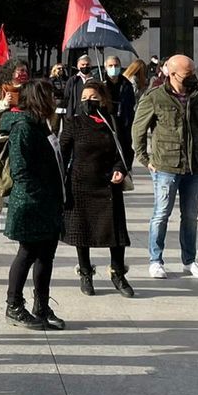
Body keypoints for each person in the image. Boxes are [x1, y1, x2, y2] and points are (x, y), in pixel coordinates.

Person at [131, 54, 198, 280]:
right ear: (172, 74)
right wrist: (146, 160)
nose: (192, 77)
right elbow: (138, 131)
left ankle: (189, 261)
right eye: (188, 74)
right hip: (166, 166)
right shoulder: (155, 97)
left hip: (195, 167)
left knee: (191, 217)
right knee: (161, 215)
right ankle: (156, 261)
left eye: (193, 72)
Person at [0, 79, 66, 331]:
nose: (55, 100)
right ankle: (14, 305)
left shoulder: (42, 125)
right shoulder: (24, 128)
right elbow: (21, 170)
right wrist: (39, 197)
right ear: (39, 99)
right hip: (32, 203)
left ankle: (41, 306)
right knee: (27, 253)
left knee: (46, 255)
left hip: (49, 202)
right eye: (50, 96)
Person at [61, 82, 134, 298]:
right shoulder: (73, 122)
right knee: (81, 231)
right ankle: (85, 272)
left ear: (103, 99)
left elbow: (125, 151)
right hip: (80, 185)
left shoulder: (113, 122)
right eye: (84, 98)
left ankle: (118, 272)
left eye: (92, 97)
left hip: (109, 185)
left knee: (116, 233)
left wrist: (120, 169)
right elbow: (62, 151)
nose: (87, 101)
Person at [0, 59, 30, 233]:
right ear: (10, 72)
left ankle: (20, 217)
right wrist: (4, 103)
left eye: (25, 70)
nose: (22, 73)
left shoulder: (30, 90)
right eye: (19, 70)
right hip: (0, 142)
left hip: (24, 141)